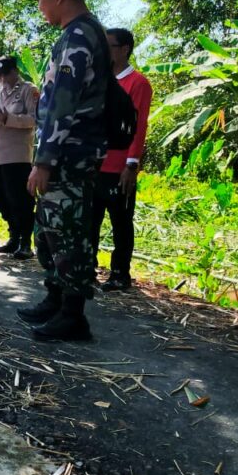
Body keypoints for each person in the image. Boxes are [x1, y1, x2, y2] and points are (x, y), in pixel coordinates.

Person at [19, 0, 108, 342]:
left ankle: (73, 315)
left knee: (67, 233)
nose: (40, 6)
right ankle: (55, 300)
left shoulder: (78, 36)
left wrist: (44, 161)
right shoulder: (84, 33)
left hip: (69, 155)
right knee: (51, 229)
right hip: (70, 153)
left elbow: (63, 105)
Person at [92, 28, 153, 291]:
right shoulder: (99, 80)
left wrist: (132, 164)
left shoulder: (138, 83)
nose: (104, 51)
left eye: (110, 46)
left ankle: (120, 273)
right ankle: (87, 268)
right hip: (94, 163)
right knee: (90, 220)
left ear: (124, 49)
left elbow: (139, 128)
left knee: (120, 221)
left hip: (119, 167)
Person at [0, 55, 39, 260]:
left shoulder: (28, 90)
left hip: (18, 156)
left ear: (15, 71)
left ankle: (25, 241)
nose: (2, 78)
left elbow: (34, 119)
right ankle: (13, 235)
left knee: (20, 200)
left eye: (6, 73)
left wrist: (9, 118)